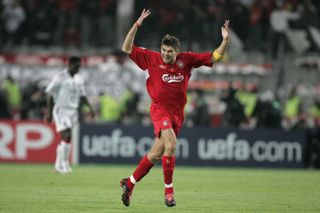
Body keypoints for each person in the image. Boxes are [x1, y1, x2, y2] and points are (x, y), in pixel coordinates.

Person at [120, 9, 230, 207]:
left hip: (177, 114)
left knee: (155, 155)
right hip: (159, 110)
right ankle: (168, 193)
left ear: (176, 51)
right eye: (164, 50)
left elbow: (215, 57)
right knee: (171, 146)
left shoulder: (186, 60)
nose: (166, 54)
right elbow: (126, 47)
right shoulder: (151, 58)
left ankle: (129, 183)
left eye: (170, 51)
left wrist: (225, 42)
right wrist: (137, 24)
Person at [45, 56, 95, 174]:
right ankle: (65, 164)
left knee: (66, 138)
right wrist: (49, 112)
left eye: (79, 66)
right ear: (69, 65)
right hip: (61, 109)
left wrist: (91, 108)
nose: (78, 69)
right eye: (76, 66)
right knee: (67, 135)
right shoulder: (60, 77)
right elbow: (50, 95)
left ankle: (58, 165)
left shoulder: (79, 79)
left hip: (73, 111)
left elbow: (82, 96)